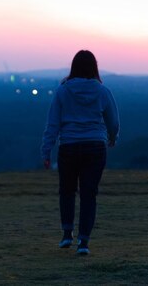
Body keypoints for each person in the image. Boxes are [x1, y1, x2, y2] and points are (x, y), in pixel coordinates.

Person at [41, 50, 120, 255]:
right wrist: (112, 138)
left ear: (73, 67)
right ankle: (83, 243)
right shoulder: (102, 91)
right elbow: (113, 121)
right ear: (94, 67)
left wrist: (46, 151)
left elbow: (52, 124)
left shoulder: (63, 91)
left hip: (68, 145)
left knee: (66, 191)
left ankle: (67, 234)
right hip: (95, 146)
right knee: (88, 195)